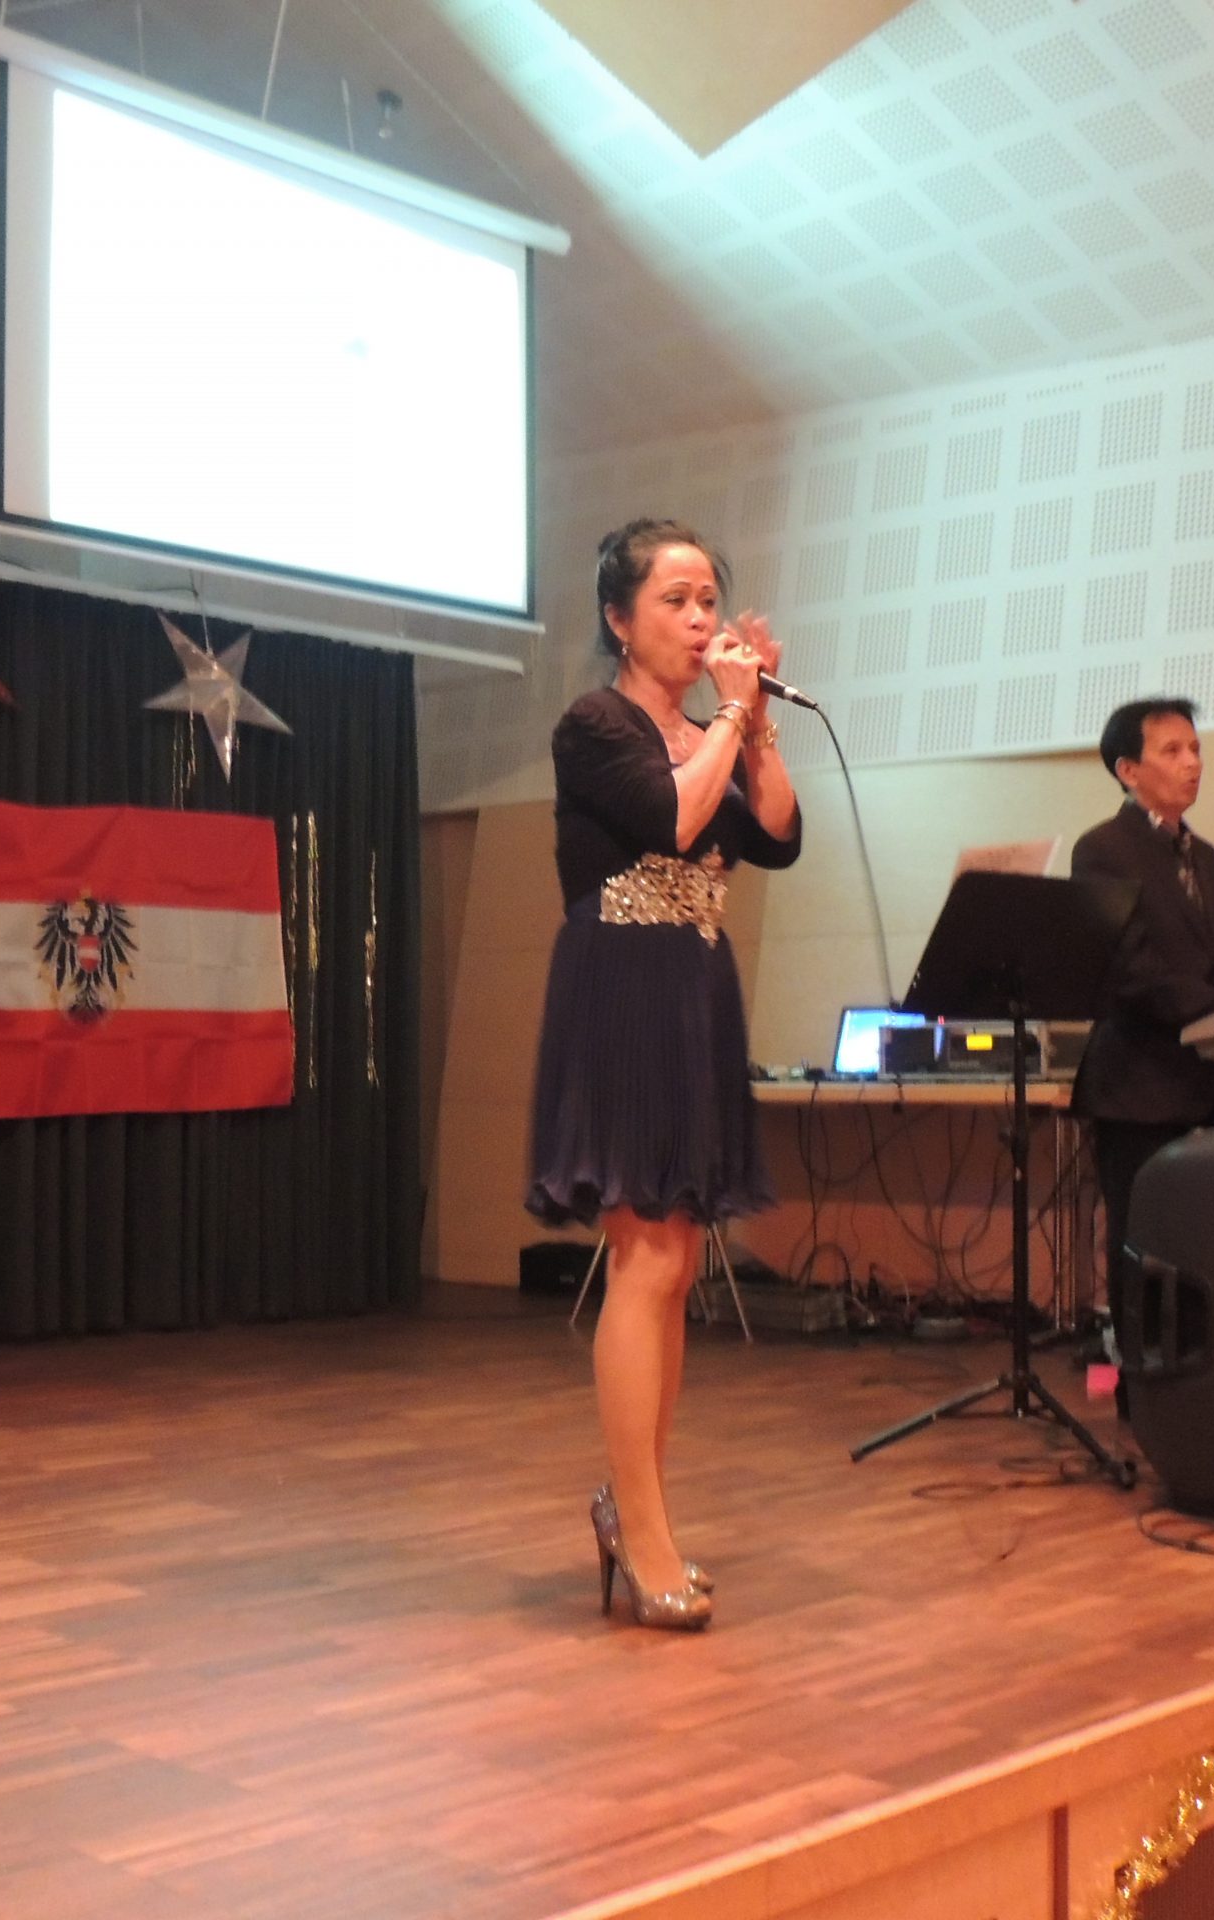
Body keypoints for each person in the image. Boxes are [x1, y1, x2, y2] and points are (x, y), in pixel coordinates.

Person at [526, 518, 801, 1632]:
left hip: (693, 985)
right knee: (643, 1258)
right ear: (618, 618)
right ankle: (641, 1532)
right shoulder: (596, 726)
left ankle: (633, 1506)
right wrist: (730, 717)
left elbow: (774, 834)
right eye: (676, 601)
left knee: (678, 1264)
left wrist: (756, 718)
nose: (700, 620)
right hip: (622, 985)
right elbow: (674, 818)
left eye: (709, 601)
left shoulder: (710, 728)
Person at [1070, 697, 1214, 1397]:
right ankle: (1145, 1399)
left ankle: (1202, 1392)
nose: (1192, 763)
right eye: (1172, 751)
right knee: (1145, 1247)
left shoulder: (1206, 857)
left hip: (1211, 1082)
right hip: (1141, 1086)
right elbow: (1129, 972)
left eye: (1195, 748)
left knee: (1208, 1247)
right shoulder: (1102, 849)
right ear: (1128, 770)